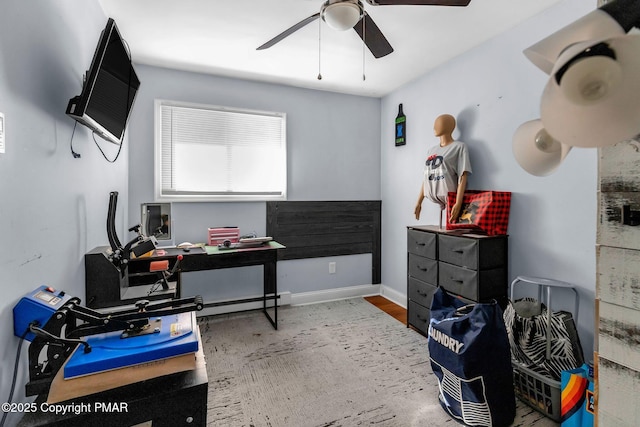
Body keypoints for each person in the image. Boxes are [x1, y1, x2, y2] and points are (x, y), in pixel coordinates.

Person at [414, 114, 472, 224]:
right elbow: (427, 177)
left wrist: (458, 202)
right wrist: (419, 202)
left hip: (449, 198)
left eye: (438, 124)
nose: (434, 127)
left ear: (450, 126)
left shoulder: (459, 147)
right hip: (432, 197)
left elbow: (463, 175)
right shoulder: (431, 150)